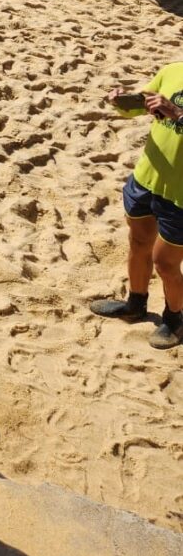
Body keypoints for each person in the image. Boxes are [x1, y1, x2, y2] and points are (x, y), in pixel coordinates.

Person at [90, 70, 183, 349]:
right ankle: (135, 304)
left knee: (165, 263)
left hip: (180, 196)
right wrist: (122, 102)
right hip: (145, 180)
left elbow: (171, 111)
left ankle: (174, 320)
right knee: (138, 242)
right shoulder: (173, 69)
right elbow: (141, 104)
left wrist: (177, 113)